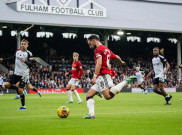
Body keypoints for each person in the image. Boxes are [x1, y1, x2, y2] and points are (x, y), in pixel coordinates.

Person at [83, 35, 137, 119]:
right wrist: (121, 62)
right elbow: (116, 56)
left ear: (94, 40)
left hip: (103, 74)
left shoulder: (98, 50)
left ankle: (125, 82)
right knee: (88, 95)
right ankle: (91, 114)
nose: (90, 46)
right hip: (101, 76)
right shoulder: (106, 49)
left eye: (90, 43)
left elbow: (99, 63)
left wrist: (94, 76)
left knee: (107, 96)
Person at [2, 39, 34, 110]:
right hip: (16, 73)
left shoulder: (29, 53)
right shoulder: (17, 52)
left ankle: (23, 106)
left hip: (23, 75)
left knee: (20, 90)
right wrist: (3, 60)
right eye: (22, 44)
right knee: (6, 85)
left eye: (24, 44)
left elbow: (31, 64)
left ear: (27, 45)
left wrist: (25, 61)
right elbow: (12, 58)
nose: (22, 45)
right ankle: (18, 89)